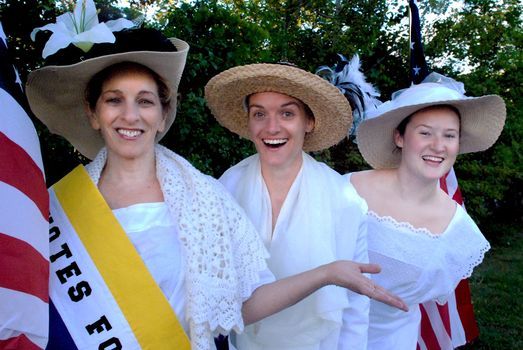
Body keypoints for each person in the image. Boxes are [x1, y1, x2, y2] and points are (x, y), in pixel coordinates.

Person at [26, 5, 406, 349]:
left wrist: (326, 274)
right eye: (114, 100)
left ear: (163, 114)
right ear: (93, 113)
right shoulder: (57, 206)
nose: (130, 115)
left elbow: (244, 301)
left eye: (144, 101)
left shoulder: (205, 199)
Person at [205, 61, 393, 349]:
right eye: (259, 113)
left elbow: (355, 304)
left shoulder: (343, 199)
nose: (271, 127)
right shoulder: (225, 188)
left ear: (309, 121)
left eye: (287, 113)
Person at [348, 73, 506, 349]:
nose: (438, 146)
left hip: (390, 341)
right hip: (320, 332)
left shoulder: (460, 232)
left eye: (449, 135)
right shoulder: (349, 189)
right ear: (400, 137)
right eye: (425, 133)